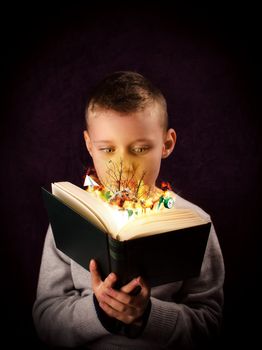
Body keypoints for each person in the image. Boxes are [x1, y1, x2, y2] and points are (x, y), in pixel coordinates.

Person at [32, 71, 225, 349]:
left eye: (140, 148)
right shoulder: (70, 218)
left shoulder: (194, 223)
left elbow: (209, 323)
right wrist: (99, 311)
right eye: (107, 150)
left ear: (166, 144)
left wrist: (148, 315)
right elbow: (45, 320)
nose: (123, 168)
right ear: (89, 145)